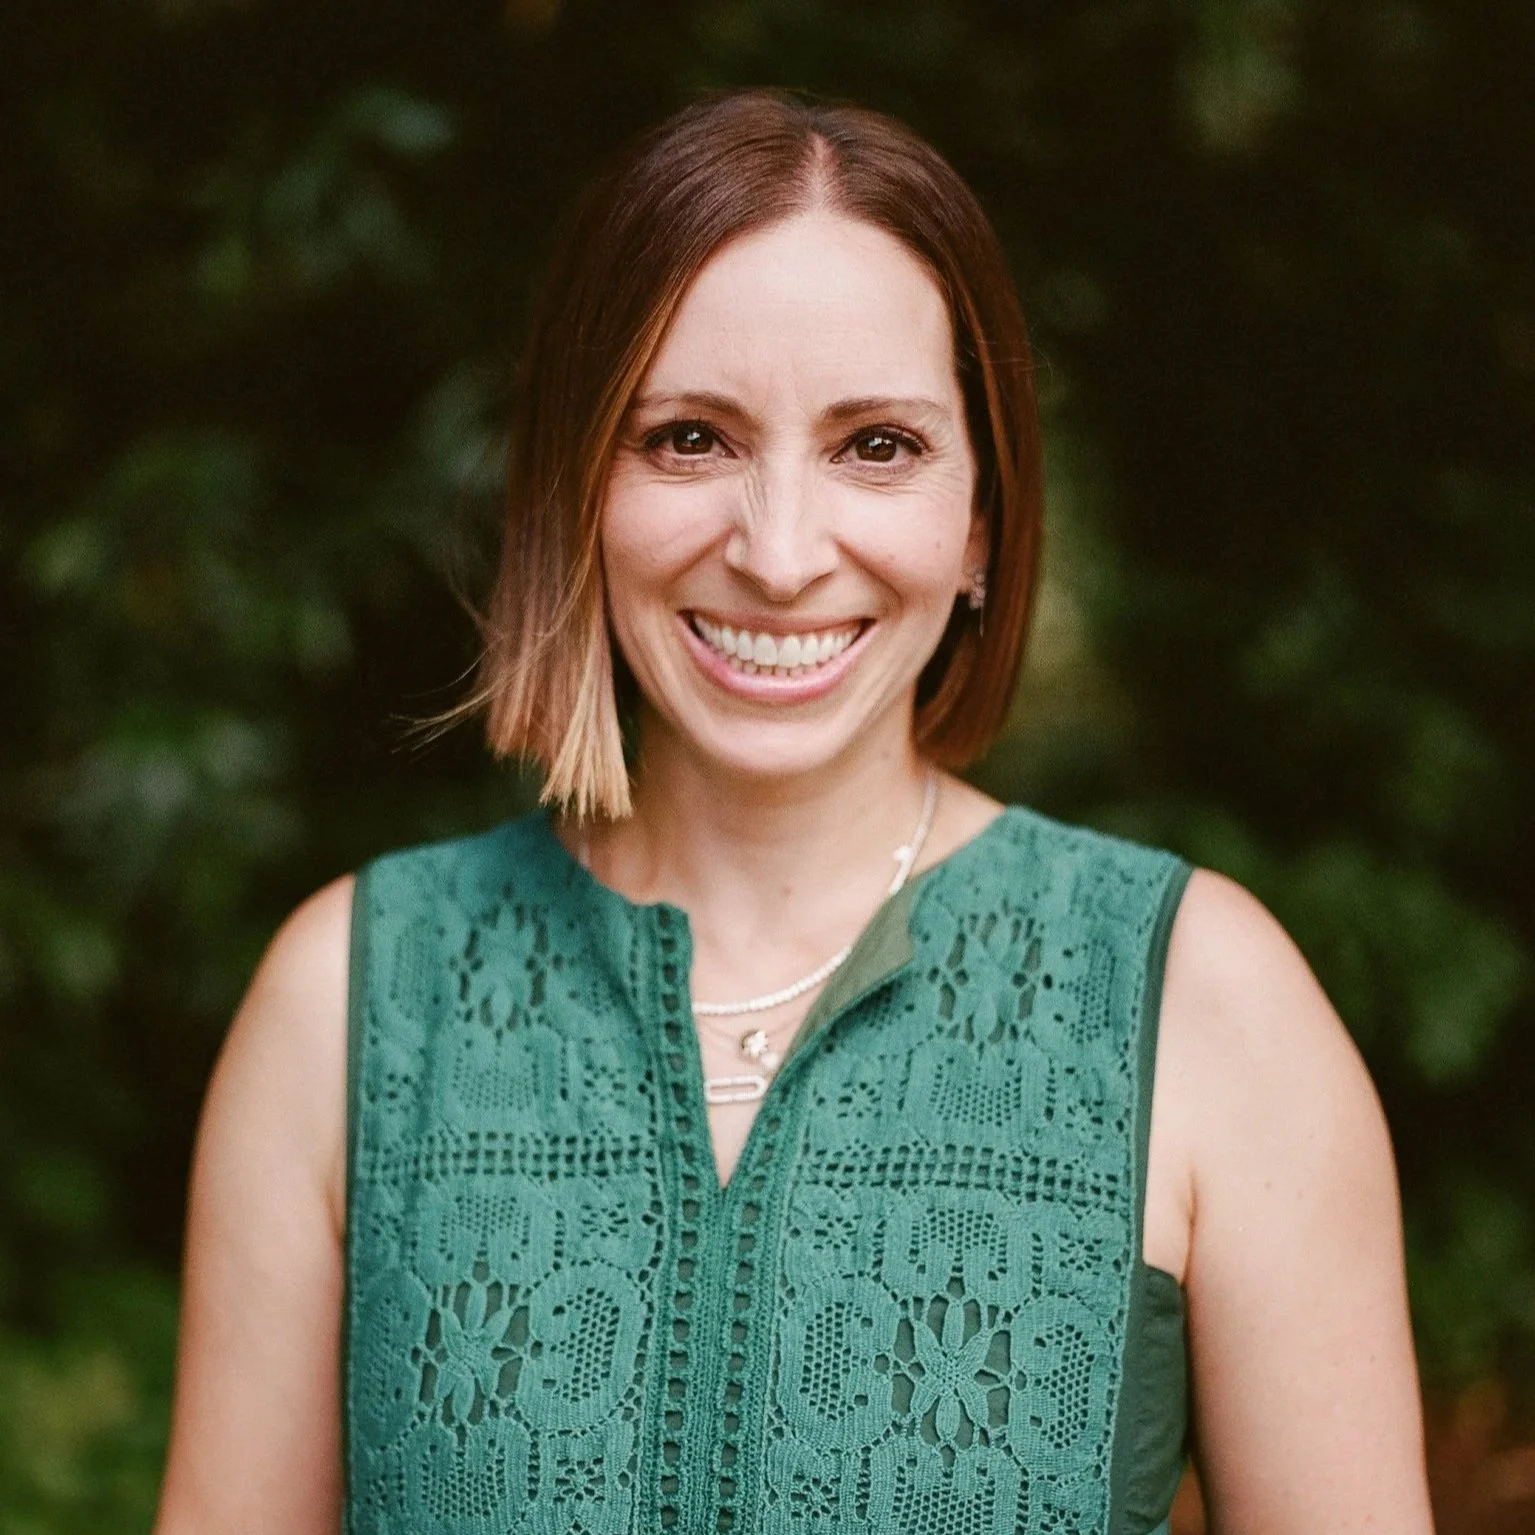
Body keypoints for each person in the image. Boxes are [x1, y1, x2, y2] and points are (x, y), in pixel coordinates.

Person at [154, 90, 1435, 1535]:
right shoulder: (351, 995)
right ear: (576, 488)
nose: (774, 553)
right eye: (688, 437)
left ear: (978, 526)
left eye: (874, 444)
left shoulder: (1207, 1001)